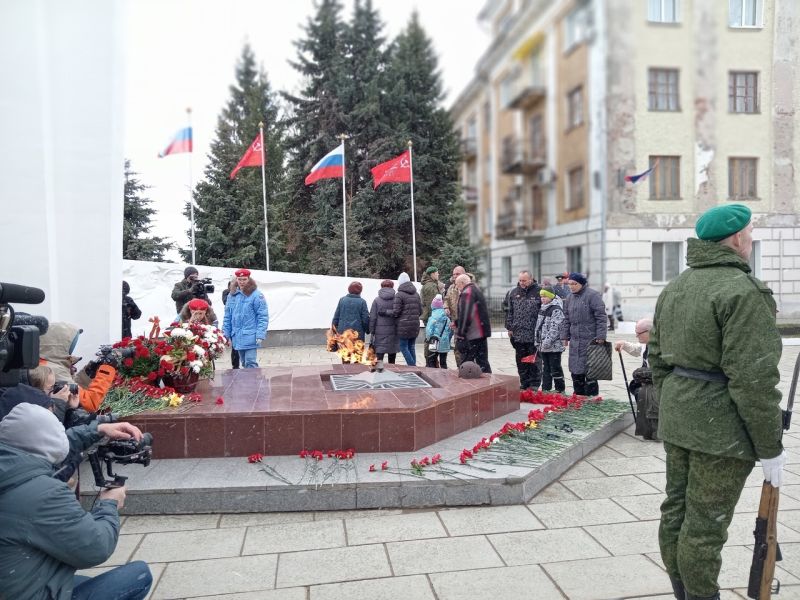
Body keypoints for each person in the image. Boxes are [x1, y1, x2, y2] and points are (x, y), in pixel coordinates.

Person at [649, 204, 785, 600]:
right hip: (720, 430)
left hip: (679, 419)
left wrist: (677, 403)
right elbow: (754, 379)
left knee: (676, 512)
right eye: (751, 232)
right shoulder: (743, 291)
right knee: (705, 527)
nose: (752, 239)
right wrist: (770, 446)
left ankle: (684, 592)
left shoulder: (677, 286)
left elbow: (656, 359)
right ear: (738, 238)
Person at [0, 402, 153, 600]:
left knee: (81, 580)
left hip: (15, 583)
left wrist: (98, 430)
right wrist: (109, 504)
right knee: (138, 575)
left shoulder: (13, 468)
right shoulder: (43, 494)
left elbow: (51, 443)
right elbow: (96, 547)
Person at [39, 322, 117, 413]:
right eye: (71, 345)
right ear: (60, 346)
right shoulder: (53, 370)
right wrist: (107, 369)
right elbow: (90, 403)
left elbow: (74, 389)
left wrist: (87, 374)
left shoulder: (46, 363)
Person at [560, 272, 606, 396]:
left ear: (581, 284)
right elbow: (566, 318)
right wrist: (565, 336)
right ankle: (578, 396)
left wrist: (601, 336)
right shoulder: (569, 298)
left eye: (574, 284)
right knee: (575, 370)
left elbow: (601, 317)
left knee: (590, 371)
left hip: (591, 340)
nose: (571, 286)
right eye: (569, 284)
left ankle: (592, 398)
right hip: (575, 341)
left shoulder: (593, 295)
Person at [616, 318, 657, 440]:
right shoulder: (646, 344)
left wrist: (645, 374)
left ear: (649, 332)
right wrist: (624, 344)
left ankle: (652, 428)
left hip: (659, 382)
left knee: (644, 393)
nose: (636, 335)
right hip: (648, 380)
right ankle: (647, 427)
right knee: (638, 388)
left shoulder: (660, 345)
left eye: (638, 333)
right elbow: (636, 349)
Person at [222, 268, 269, 369]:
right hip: (237, 336)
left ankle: (254, 384)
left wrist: (260, 334)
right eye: (240, 279)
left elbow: (263, 316)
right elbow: (227, 316)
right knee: (243, 363)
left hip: (251, 336)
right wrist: (225, 334)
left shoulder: (256, 295)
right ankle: (248, 383)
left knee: (250, 362)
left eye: (244, 279)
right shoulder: (232, 295)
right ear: (236, 280)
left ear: (249, 279)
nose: (242, 282)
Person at [505, 270, 542, 391]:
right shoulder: (514, 292)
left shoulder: (539, 292)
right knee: (521, 360)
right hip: (518, 333)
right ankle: (524, 382)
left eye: (524, 280)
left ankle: (534, 384)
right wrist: (509, 327)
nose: (521, 283)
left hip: (533, 333)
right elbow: (509, 311)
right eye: (520, 280)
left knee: (533, 360)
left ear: (531, 279)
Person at [454, 274, 492, 373]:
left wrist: (461, 334)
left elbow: (466, 314)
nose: (457, 288)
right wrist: (457, 322)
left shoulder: (467, 292)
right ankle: (489, 384)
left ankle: (467, 385)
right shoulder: (476, 289)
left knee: (467, 363)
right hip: (481, 332)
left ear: (462, 283)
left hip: (472, 334)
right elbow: (476, 312)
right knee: (482, 361)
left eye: (457, 285)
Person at [386, 272, 422, 366]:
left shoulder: (399, 295)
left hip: (403, 326)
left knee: (403, 347)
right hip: (415, 325)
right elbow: (420, 311)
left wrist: (386, 312)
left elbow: (396, 312)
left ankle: (412, 366)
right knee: (411, 347)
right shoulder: (416, 294)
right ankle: (414, 366)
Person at [535, 287, 566, 393]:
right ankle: (546, 389)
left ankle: (560, 389)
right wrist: (537, 340)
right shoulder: (543, 308)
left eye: (545, 296)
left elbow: (555, 328)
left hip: (554, 346)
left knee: (555, 368)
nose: (542, 299)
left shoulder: (556, 309)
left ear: (551, 297)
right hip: (543, 345)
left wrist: (547, 342)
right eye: (541, 296)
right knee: (546, 369)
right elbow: (538, 326)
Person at [444, 266, 472, 367]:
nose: (455, 276)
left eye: (457, 274)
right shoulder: (452, 287)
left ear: (464, 274)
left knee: (469, 348)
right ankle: (461, 368)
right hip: (456, 322)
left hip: (468, 325)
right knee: (457, 348)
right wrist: (446, 307)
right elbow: (446, 298)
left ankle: (470, 368)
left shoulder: (470, 288)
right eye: (454, 274)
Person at [369, 280, 399, 364]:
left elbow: (373, 317)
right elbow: (399, 313)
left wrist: (371, 330)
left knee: (379, 354)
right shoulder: (396, 299)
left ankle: (379, 371)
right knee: (392, 355)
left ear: (381, 287)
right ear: (392, 287)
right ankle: (392, 370)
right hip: (393, 330)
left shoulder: (376, 300)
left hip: (379, 331)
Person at [420, 266, 442, 366]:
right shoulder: (431, 286)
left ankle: (431, 361)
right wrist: (435, 318)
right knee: (431, 339)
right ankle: (430, 362)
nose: (438, 274)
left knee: (431, 339)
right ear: (432, 274)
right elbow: (432, 305)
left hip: (430, 317)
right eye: (437, 272)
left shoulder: (431, 284)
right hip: (432, 317)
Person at [425, 295, 453, 368]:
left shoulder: (432, 317)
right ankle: (445, 375)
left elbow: (429, 331)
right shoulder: (447, 318)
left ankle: (434, 375)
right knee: (443, 362)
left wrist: (428, 339)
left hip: (434, 341)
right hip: (444, 342)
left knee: (432, 360)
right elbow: (449, 330)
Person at [222, 277, 240, 369]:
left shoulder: (245, 293)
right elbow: (225, 302)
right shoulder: (227, 293)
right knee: (235, 348)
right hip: (233, 325)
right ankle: (235, 366)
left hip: (242, 326)